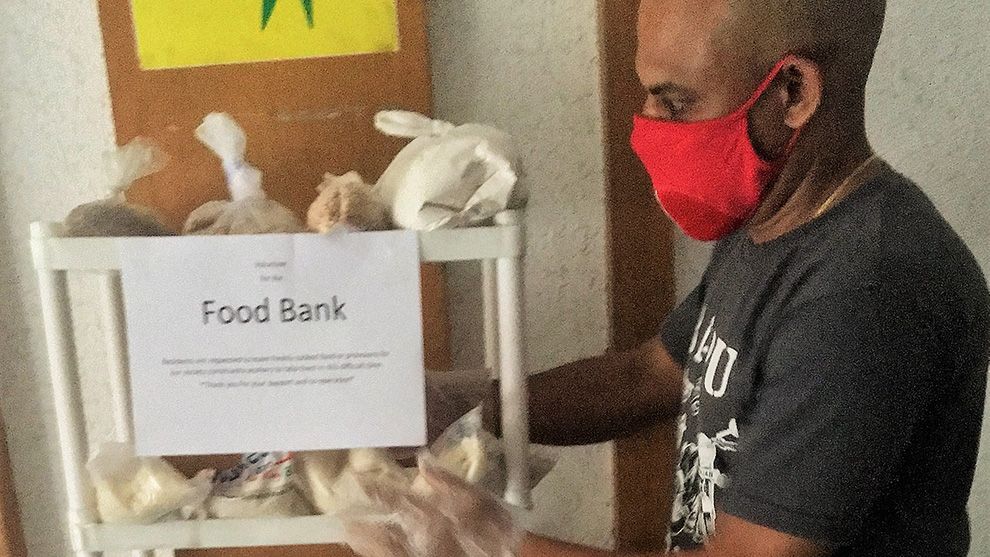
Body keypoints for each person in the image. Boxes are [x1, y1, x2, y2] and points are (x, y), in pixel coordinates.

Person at [344, 0, 990, 555]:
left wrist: (492, 542)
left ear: (793, 91)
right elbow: (651, 373)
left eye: (674, 100)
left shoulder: (863, 293)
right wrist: (458, 408)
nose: (648, 127)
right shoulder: (773, 219)